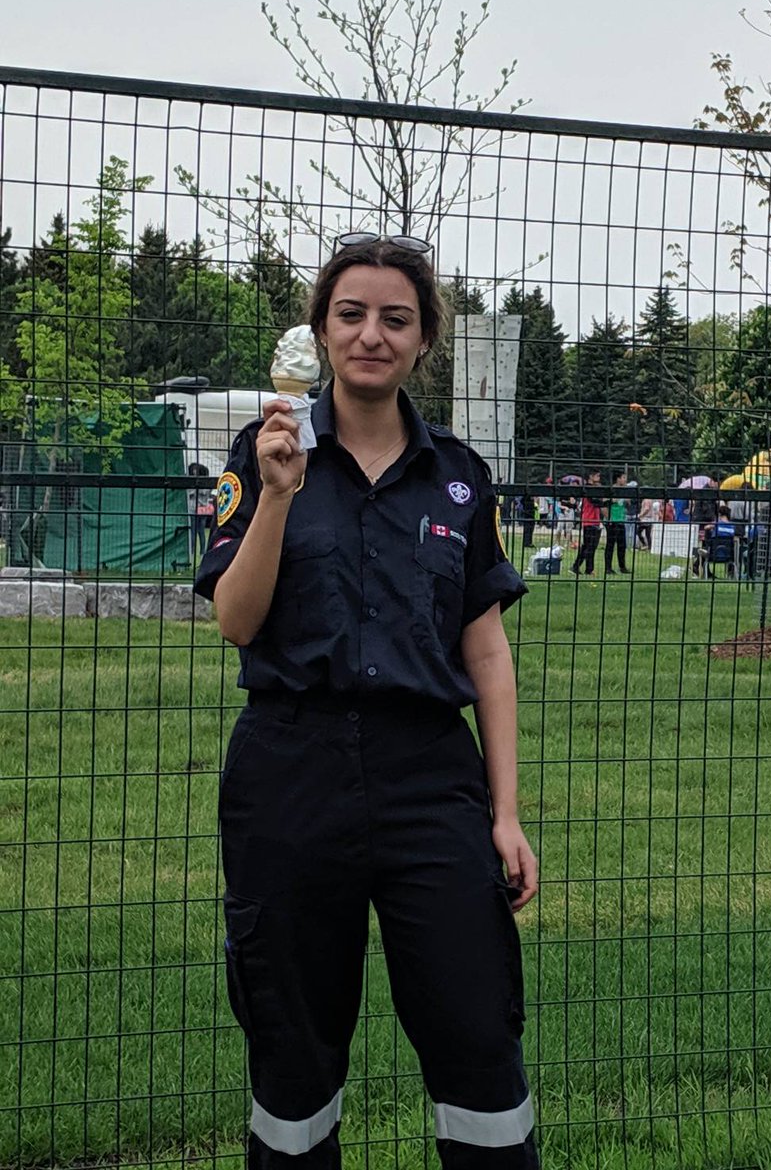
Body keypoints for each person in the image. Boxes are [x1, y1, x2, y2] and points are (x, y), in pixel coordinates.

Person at [193, 235, 539, 1170]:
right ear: (320, 331)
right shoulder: (264, 451)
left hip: (430, 780)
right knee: (295, 1046)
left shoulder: (461, 479)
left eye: (396, 318)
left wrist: (504, 814)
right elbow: (235, 620)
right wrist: (276, 496)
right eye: (351, 315)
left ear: (424, 339)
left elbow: (489, 654)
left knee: (475, 1030)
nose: (371, 335)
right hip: (290, 771)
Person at [571, 469, 603, 575]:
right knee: (589, 547)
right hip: (589, 520)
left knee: (589, 547)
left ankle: (585, 568)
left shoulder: (594, 488)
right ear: (591, 476)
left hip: (594, 520)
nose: (599, 478)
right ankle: (582, 567)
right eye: (597, 476)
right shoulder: (588, 488)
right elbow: (594, 501)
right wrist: (606, 502)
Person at [187, 462, 216, 562]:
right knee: (194, 532)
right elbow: (191, 493)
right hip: (194, 509)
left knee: (201, 531)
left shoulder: (204, 484)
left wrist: (196, 489)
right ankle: (193, 551)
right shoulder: (193, 482)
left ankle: (202, 552)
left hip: (201, 509)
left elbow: (201, 492)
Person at [604, 470, 630, 574]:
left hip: (621, 520)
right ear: (618, 479)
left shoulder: (624, 491)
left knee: (622, 545)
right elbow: (604, 503)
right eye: (623, 477)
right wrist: (608, 518)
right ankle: (608, 568)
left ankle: (622, 566)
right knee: (610, 545)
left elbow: (627, 504)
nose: (625, 480)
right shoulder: (611, 490)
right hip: (612, 520)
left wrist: (628, 501)